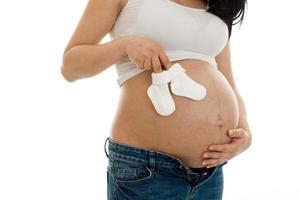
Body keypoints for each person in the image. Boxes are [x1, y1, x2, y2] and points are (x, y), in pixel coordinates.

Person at [60, 0, 252, 199]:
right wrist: (124, 46)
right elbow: (70, 67)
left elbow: (229, 82)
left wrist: (244, 130)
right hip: (147, 168)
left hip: (210, 172)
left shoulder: (217, 3)